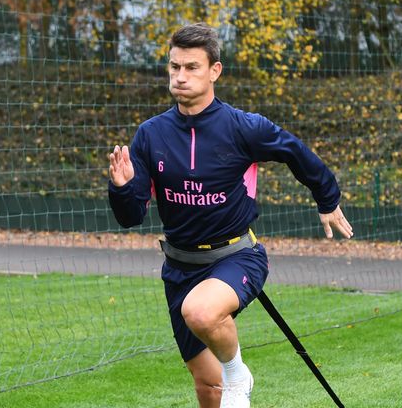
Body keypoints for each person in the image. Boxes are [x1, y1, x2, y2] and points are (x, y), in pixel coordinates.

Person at [108, 22, 353, 408]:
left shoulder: (243, 127)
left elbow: (295, 151)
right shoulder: (150, 135)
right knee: (208, 387)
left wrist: (327, 198)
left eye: (191, 67)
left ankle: (239, 376)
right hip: (179, 268)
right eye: (174, 67)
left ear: (214, 71)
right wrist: (122, 187)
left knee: (202, 313)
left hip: (237, 256)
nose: (180, 76)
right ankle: (228, 382)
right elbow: (130, 216)